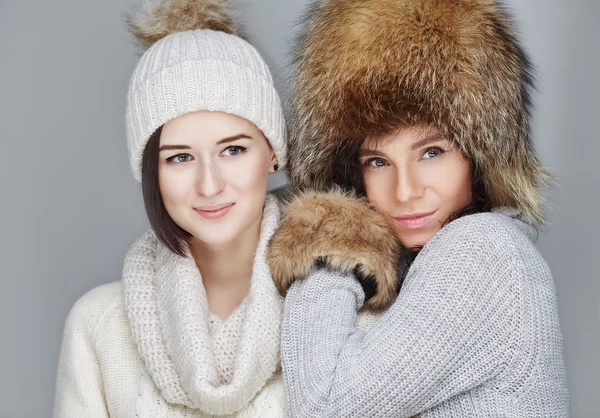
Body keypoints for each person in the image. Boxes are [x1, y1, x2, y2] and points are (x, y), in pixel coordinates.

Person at [267, 0, 569, 416]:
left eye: (431, 152)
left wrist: (331, 245)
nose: (405, 190)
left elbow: (323, 406)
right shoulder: (421, 263)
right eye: (377, 161)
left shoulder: (483, 250)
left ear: (478, 155)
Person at [53, 0, 288, 416]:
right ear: (150, 172)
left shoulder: (333, 308)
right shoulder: (99, 326)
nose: (210, 184)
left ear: (273, 153)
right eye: (179, 157)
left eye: (233, 150)